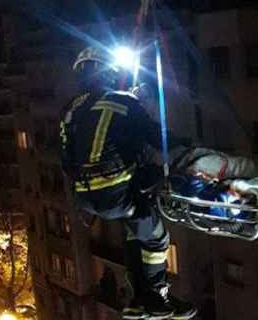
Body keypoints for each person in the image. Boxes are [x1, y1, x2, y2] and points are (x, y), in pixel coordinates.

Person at [59, 45, 197, 320]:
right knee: (158, 239)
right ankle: (157, 296)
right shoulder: (123, 101)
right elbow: (158, 139)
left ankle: (138, 299)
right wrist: (188, 144)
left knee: (137, 233)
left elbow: (66, 158)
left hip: (85, 197)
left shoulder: (70, 110)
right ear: (107, 71)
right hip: (118, 191)